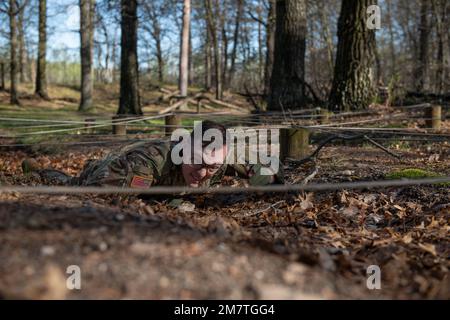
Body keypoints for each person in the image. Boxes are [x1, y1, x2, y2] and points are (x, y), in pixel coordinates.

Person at [22, 120, 283, 188]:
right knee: (69, 183)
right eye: (198, 162)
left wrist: (270, 181)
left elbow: (264, 168)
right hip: (107, 170)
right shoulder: (143, 165)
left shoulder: (219, 156)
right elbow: (98, 201)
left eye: (213, 167)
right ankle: (36, 169)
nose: (204, 173)